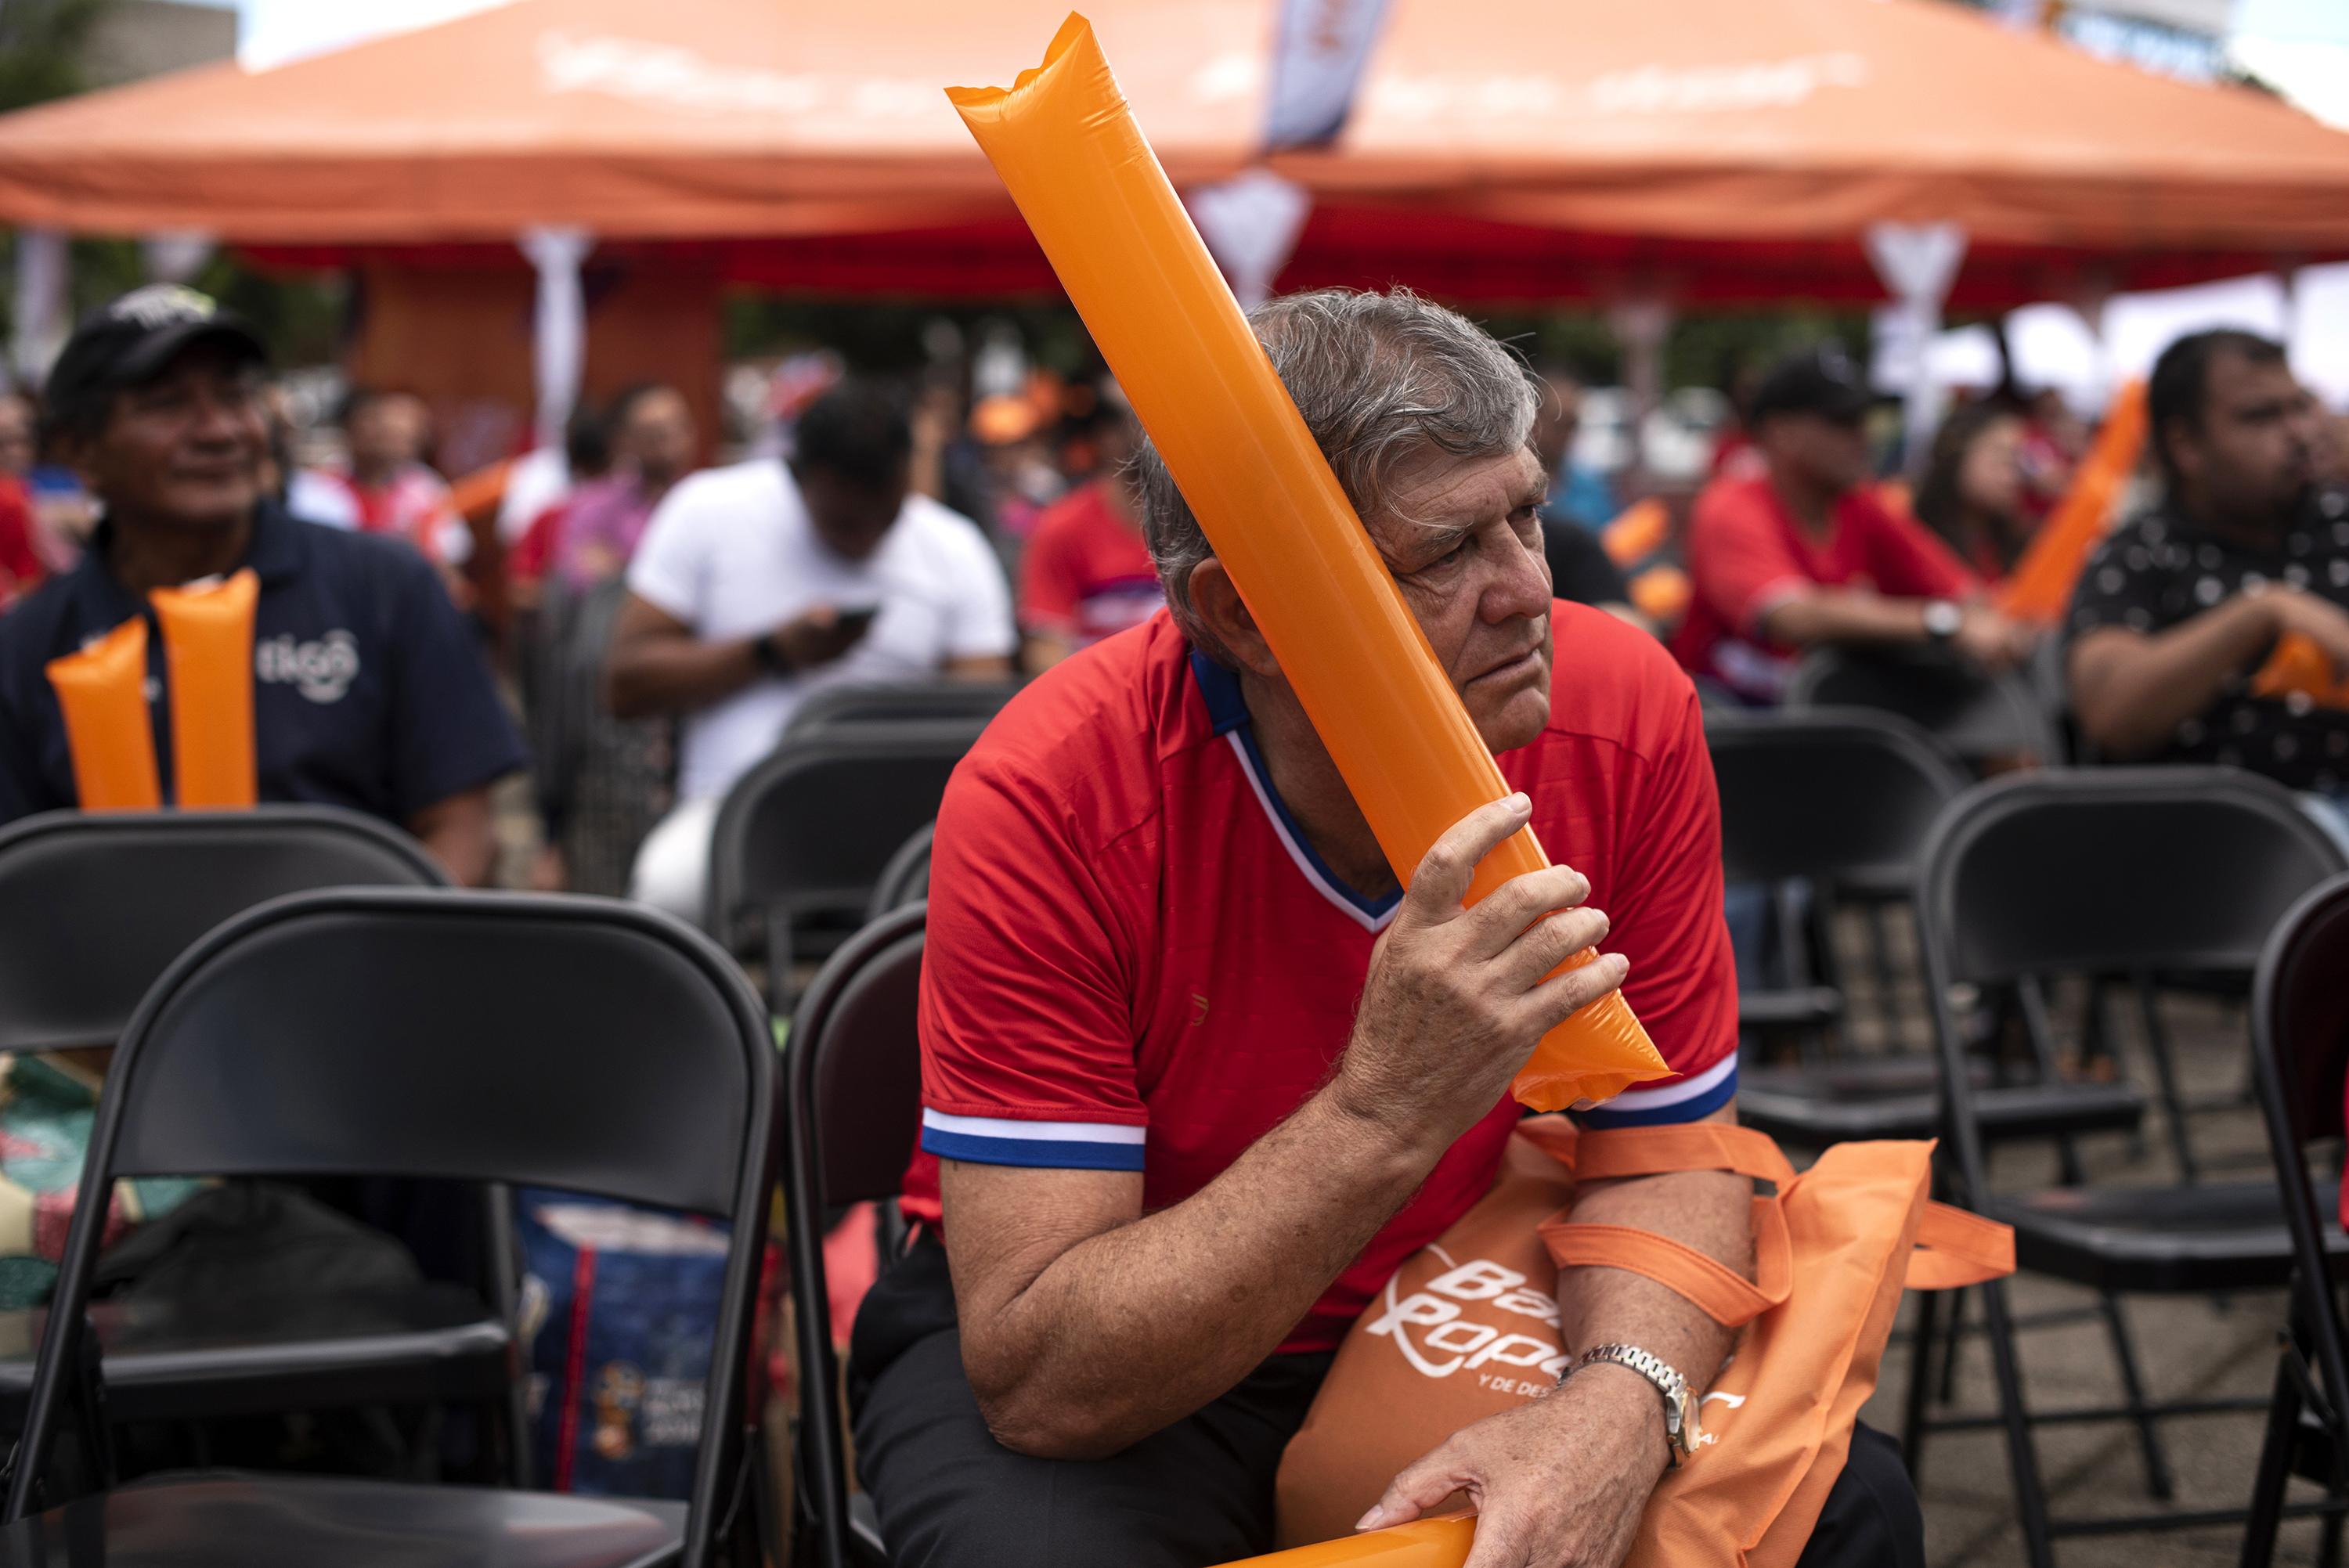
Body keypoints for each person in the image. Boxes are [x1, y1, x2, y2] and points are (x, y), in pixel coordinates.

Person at [848, 289, 1921, 1568]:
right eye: (1447, 553)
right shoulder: (1058, 790)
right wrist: (1383, 1109)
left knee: (1840, 1509)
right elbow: (1046, 1380)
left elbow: (1664, 1149)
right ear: (1245, 614)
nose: (1531, 589)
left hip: (1459, 1276)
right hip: (1119, 1341)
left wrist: (1619, 1402)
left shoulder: (1621, 706)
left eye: (1527, 512)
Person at [0, 285, 525, 884]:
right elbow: (20, 888)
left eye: (236, 396)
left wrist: (386, 961)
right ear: (78, 450)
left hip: (362, 968)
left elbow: (463, 825)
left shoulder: (388, 587)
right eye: (168, 405)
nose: (220, 430)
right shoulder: (27, 648)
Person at [606, 378, 1016, 921]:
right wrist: (770, 652)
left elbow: (982, 723)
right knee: (669, 891)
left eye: (887, 514)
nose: (868, 537)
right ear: (799, 478)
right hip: (736, 811)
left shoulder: (953, 548)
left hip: (914, 821)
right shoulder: (709, 509)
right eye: (845, 521)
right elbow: (624, 683)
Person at [2067, 329, 2349, 806]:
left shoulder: (2338, 522)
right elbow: (2111, 715)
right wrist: (2262, 613)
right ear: (2186, 445)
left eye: (2299, 407)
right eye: (2260, 416)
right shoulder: (2141, 554)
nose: (2298, 433)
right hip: (2220, 844)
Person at [1672, 345, 2032, 705]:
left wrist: (1995, 626)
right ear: (1779, 432)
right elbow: (1791, 618)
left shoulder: (1861, 503)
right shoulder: (1731, 504)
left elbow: (1962, 593)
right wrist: (1942, 623)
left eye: (1864, 420)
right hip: (1730, 730)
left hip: (1830, 721)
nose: (1863, 437)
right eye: (1841, 422)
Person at [1016, 384, 1162, 670]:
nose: (1148, 429)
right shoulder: (1062, 528)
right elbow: (1046, 651)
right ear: (1103, 435)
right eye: (1132, 416)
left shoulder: (1210, 524)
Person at [310, 387, 472, 573]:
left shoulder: (423, 486)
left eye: (379, 423)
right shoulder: (322, 486)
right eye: (365, 423)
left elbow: (453, 551)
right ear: (349, 430)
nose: (375, 433)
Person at [1914, 398, 2033, 584]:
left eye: (2017, 463)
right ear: (1956, 455)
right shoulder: (1915, 534)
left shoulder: (2015, 541)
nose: (2012, 477)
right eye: (2002, 459)